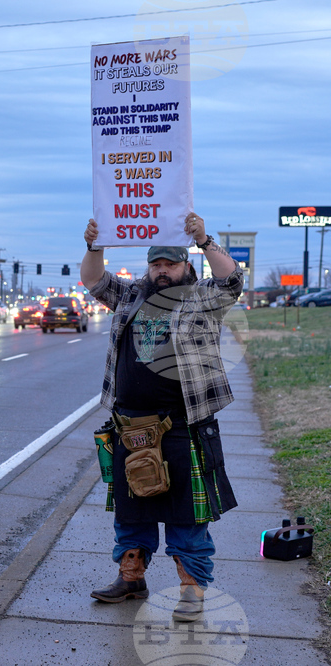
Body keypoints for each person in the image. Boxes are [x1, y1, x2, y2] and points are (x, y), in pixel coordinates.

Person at [80, 212, 243, 622]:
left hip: (184, 422)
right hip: (130, 424)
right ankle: (131, 576)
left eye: (170, 263)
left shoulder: (201, 296)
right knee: (131, 510)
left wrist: (205, 240)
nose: (163, 271)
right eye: (156, 264)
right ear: (148, 266)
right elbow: (93, 280)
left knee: (187, 513)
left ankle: (191, 588)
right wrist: (94, 246)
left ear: (186, 266)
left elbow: (232, 281)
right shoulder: (132, 295)